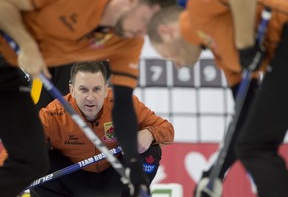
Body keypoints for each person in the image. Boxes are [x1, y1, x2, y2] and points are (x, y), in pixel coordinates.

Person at [0, 0, 177, 196]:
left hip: (29, 67)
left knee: (31, 164)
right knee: (29, 158)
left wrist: (133, 166)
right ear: (131, 1)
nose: (144, 32)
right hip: (9, 52)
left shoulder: (129, 41)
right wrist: (26, 44)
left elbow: (122, 105)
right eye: (145, 21)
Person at [147, 0, 288, 196]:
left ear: (166, 32)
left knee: (254, 146)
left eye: (168, 56)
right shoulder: (223, 58)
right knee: (252, 144)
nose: (176, 65)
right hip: (280, 59)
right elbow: (243, 119)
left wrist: (246, 45)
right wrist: (215, 173)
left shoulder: (197, 6)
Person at [1, 61, 174, 196]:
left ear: (106, 90)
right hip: (73, 182)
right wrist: (8, 182)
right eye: (83, 89)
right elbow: (21, 149)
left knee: (151, 150)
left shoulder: (124, 104)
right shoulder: (53, 114)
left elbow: (167, 129)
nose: (90, 97)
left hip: (116, 180)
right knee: (39, 160)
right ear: (72, 89)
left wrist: (150, 133)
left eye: (97, 89)